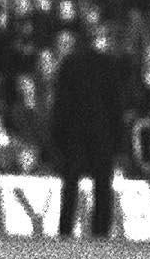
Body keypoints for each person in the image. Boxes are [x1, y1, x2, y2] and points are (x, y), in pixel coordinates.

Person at [50, 20, 125, 239]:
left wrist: (58, 136)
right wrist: (118, 141)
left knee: (70, 186)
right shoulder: (110, 66)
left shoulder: (70, 63)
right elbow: (116, 107)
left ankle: (65, 231)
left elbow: (61, 105)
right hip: (102, 136)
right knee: (102, 188)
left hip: (75, 134)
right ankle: (100, 234)